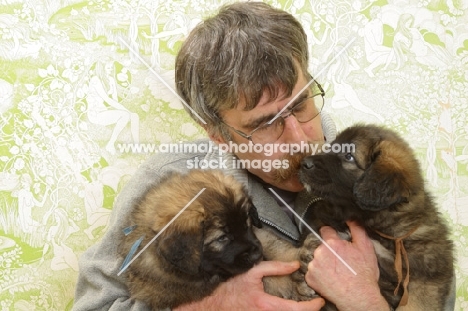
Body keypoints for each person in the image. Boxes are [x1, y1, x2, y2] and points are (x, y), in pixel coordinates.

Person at [73, 2, 455, 310]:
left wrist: (365, 298)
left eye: (302, 103)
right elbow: (96, 305)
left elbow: (431, 282)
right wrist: (215, 305)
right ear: (219, 135)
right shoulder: (173, 185)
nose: (301, 138)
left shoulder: (366, 168)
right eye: (265, 123)